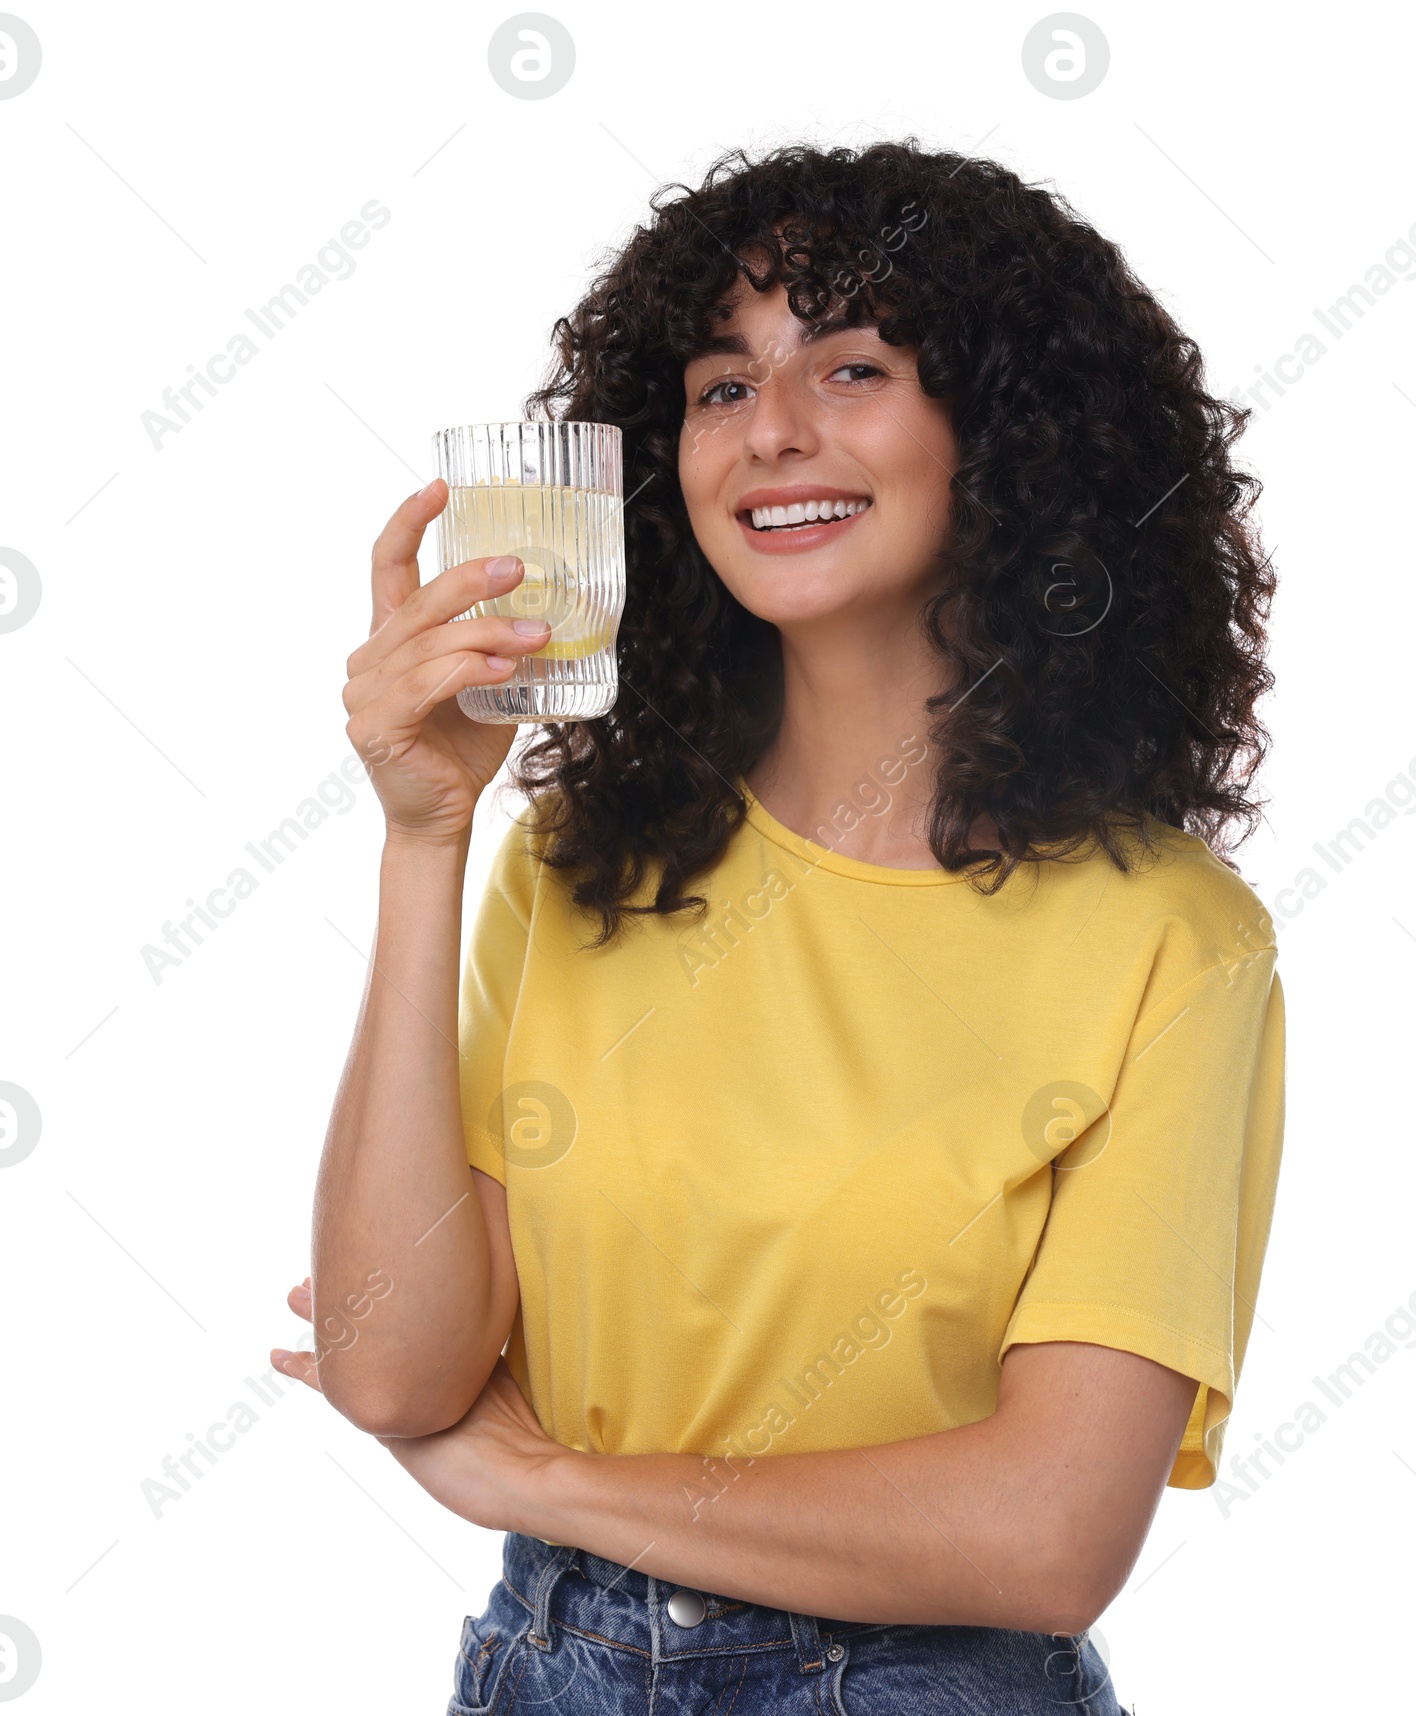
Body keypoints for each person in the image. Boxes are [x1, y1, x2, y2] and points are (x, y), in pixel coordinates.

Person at [270, 138, 1285, 1715]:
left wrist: (544, 1482)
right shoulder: (579, 863)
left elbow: (1047, 1537)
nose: (773, 434)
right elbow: (393, 1370)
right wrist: (426, 835)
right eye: (721, 388)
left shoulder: (1171, 943)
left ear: (1004, 439)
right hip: (549, 1673)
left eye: (854, 367)